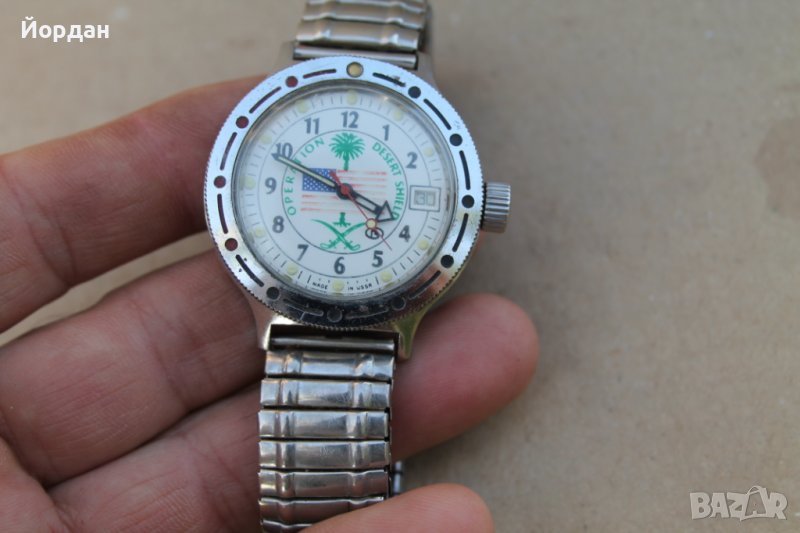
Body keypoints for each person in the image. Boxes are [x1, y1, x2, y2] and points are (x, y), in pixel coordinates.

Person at [0, 77, 538, 532]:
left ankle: (345, 490)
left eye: (345, 189)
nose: (343, 191)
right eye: (339, 187)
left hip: (361, 309)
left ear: (474, 205)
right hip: (288, 308)